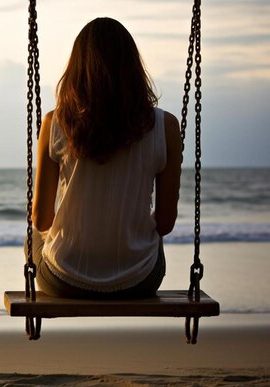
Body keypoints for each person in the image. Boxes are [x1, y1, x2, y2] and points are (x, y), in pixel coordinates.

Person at [28, 17, 182, 299]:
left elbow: (41, 220)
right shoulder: (166, 126)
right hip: (140, 279)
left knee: (33, 239)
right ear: (133, 68)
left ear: (76, 68)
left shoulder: (55, 123)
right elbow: (164, 223)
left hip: (65, 279)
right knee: (150, 238)